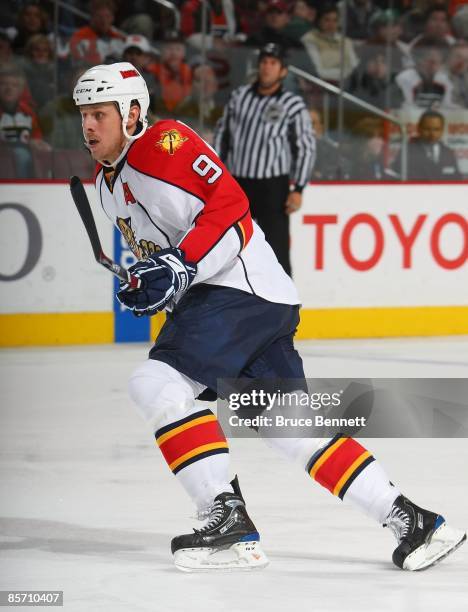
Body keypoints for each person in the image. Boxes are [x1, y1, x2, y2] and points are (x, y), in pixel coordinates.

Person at [72, 59, 466, 573]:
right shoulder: (107, 184)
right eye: (83, 114)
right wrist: (153, 278)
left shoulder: (161, 144)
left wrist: (180, 265)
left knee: (156, 384)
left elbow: (230, 204)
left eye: (100, 113)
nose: (88, 125)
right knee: (291, 430)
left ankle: (227, 520)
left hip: (240, 292)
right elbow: (173, 248)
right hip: (249, 301)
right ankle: (414, 523)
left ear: (131, 113)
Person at [213, 43, 315, 276]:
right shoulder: (239, 97)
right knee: (231, 247)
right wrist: (217, 176)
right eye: (264, 62)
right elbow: (222, 135)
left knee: (277, 250)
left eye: (273, 63)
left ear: (283, 71)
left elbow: (306, 147)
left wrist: (298, 188)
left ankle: (284, 306)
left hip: (273, 187)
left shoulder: (293, 104)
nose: (267, 67)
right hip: (237, 184)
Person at [393, 109, 462, 180]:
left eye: (437, 129)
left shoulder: (448, 153)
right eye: (427, 129)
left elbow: (457, 179)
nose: (432, 134)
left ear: (442, 130)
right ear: (418, 128)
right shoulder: (407, 151)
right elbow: (396, 177)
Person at [301, 3, 359, 82]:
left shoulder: (345, 41)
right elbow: (318, 72)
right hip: (321, 85)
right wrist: (345, 73)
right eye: (327, 20)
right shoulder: (309, 39)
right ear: (319, 21)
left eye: (335, 20)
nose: (331, 24)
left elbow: (354, 67)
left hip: (347, 85)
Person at [69, 0, 125, 65]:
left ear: (112, 18)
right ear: (92, 17)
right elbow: (76, 64)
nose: (104, 21)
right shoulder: (80, 36)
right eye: (100, 17)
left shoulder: (118, 37)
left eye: (107, 16)